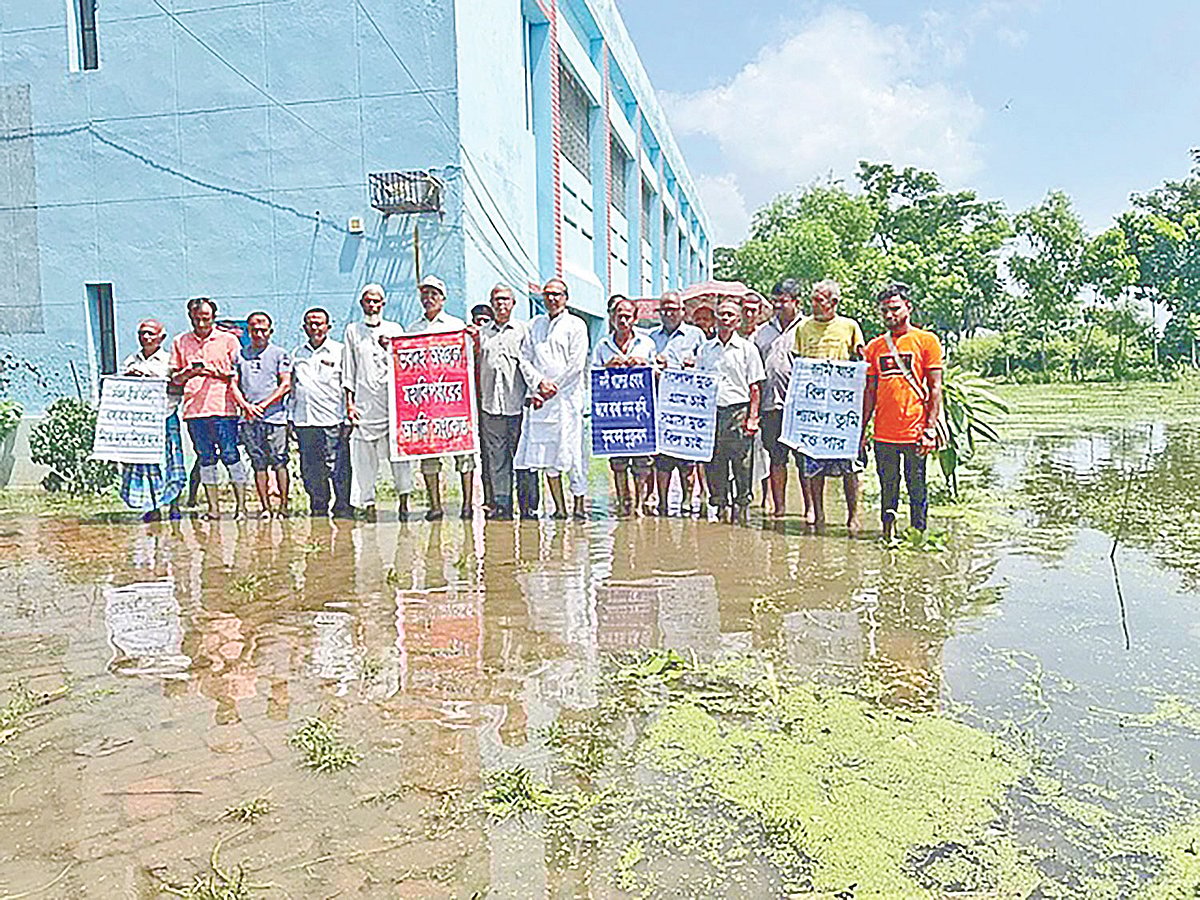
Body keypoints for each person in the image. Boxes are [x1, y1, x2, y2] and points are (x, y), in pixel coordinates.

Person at [860, 283, 944, 540]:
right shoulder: (875, 347)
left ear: (908, 308)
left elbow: (936, 387)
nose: (889, 315)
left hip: (915, 432)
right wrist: (862, 431)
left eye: (894, 309)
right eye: (884, 310)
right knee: (888, 487)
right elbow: (869, 392)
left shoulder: (926, 341)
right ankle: (888, 534)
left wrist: (930, 429)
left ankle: (919, 533)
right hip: (884, 433)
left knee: (917, 487)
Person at [793, 280, 867, 533]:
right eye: (813, 300)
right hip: (814, 407)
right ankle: (818, 512)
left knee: (850, 466)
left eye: (819, 300)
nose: (814, 304)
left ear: (833, 303)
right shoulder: (803, 328)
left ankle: (853, 516)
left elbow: (860, 360)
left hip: (842, 408)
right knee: (813, 464)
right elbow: (799, 364)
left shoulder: (850, 326)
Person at [513, 278, 589, 521]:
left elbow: (577, 365)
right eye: (547, 295)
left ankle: (578, 505)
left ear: (566, 297)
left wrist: (552, 387)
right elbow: (523, 359)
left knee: (573, 455)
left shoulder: (576, 325)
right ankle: (559, 507)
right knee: (547, 456)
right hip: (541, 402)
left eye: (557, 294)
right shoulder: (534, 325)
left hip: (567, 401)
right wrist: (538, 384)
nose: (552, 299)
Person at [169, 297, 249, 520]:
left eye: (205, 319)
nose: (201, 324)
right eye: (196, 320)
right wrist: (189, 372)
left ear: (214, 318)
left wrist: (215, 372)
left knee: (231, 455)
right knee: (205, 458)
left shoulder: (228, 340)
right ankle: (213, 509)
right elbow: (174, 378)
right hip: (194, 410)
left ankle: (240, 507)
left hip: (224, 408)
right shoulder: (180, 341)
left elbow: (239, 373)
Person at [406, 274, 475, 520]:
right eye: (425, 294)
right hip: (425, 404)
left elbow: (468, 360)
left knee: (464, 454)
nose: (429, 298)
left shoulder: (457, 327)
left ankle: (467, 505)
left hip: (454, 403)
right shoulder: (413, 329)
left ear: (443, 299)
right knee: (429, 456)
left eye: (434, 294)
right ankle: (435, 506)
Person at [343, 283, 413, 522]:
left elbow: (407, 365)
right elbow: (349, 369)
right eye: (368, 301)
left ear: (383, 304)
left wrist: (390, 347)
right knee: (363, 458)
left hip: (392, 405)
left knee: (399, 456)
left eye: (376, 301)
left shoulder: (395, 329)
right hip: (364, 405)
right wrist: (349, 404)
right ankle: (368, 504)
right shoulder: (353, 330)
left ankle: (404, 501)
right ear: (362, 304)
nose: (372, 305)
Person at [697, 299, 764, 525]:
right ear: (715, 320)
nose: (724, 320)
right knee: (715, 463)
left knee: (742, 464)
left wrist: (753, 418)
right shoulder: (705, 349)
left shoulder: (748, 349)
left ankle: (742, 508)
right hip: (712, 413)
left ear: (737, 321)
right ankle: (720, 508)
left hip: (739, 411)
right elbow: (698, 381)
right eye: (721, 315)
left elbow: (755, 388)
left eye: (729, 316)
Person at [476, 285, 540, 520]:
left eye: (505, 299)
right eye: (496, 300)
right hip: (491, 406)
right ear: (491, 303)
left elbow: (533, 365)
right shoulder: (481, 334)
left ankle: (529, 505)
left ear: (513, 303)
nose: (501, 304)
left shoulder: (524, 331)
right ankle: (502, 504)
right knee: (497, 458)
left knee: (525, 458)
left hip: (520, 405)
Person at [592, 296, 657, 517]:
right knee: (618, 461)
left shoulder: (647, 344)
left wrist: (645, 365)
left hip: (640, 414)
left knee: (642, 463)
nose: (623, 320)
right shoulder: (603, 346)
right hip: (614, 414)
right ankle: (622, 502)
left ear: (635, 319)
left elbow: (658, 374)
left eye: (628, 316)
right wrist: (606, 367)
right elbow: (591, 376)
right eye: (619, 316)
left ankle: (638, 504)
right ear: (611, 318)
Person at [118, 319, 187, 522]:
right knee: (145, 464)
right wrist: (131, 378)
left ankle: (174, 504)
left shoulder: (169, 361)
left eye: (150, 334)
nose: (146, 338)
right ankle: (152, 506)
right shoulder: (131, 361)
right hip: (140, 423)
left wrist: (153, 380)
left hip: (165, 416)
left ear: (161, 337)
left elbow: (178, 387)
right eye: (142, 334)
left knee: (171, 460)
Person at [290, 307, 352, 520]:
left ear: (328, 327)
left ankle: (342, 507)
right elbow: (293, 387)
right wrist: (291, 418)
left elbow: (347, 385)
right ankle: (318, 507)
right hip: (304, 421)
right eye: (310, 324)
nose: (315, 327)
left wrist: (347, 417)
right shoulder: (297, 353)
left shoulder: (340, 351)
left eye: (319, 323)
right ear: (304, 328)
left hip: (332, 420)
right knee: (310, 469)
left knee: (336, 467)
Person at [648, 291, 705, 516]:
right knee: (662, 460)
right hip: (660, 408)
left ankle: (687, 501)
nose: (669, 313)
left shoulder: (696, 335)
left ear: (683, 311)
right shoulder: (650, 338)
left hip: (687, 410)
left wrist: (694, 364)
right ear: (660, 312)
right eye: (665, 309)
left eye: (673, 308)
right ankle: (662, 504)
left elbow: (707, 366)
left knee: (687, 461)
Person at [755, 279, 806, 519]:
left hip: (801, 408)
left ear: (796, 302)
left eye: (783, 302)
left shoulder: (808, 328)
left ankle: (811, 510)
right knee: (776, 458)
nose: (777, 306)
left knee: (805, 460)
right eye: (774, 302)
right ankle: (780, 508)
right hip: (770, 404)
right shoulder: (762, 332)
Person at [233, 312, 293, 518]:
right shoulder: (239, 355)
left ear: (270, 331)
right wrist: (246, 406)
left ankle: (283, 506)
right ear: (248, 331)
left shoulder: (280, 354)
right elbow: (233, 384)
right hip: (249, 420)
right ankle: (266, 507)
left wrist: (264, 405)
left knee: (279, 461)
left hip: (275, 419)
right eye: (254, 330)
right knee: (258, 463)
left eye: (262, 330)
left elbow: (285, 384)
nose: (258, 334)